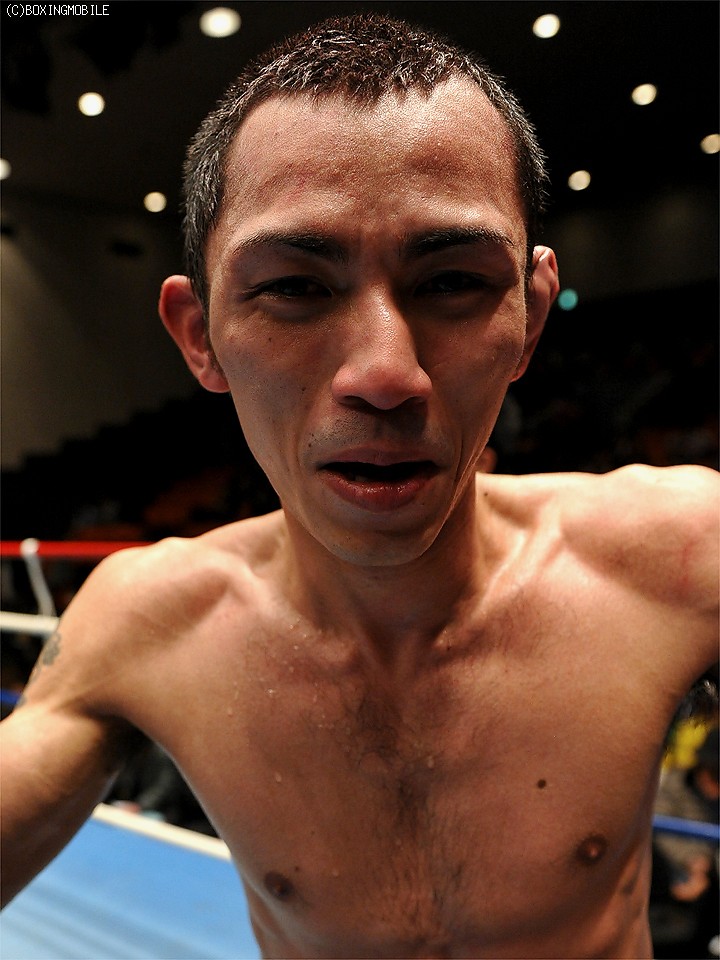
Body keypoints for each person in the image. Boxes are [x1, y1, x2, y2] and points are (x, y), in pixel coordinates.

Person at [1, 13, 717, 959]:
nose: (385, 375)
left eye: (453, 281)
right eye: (295, 288)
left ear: (533, 316)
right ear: (200, 337)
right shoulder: (148, 623)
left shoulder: (683, 553)